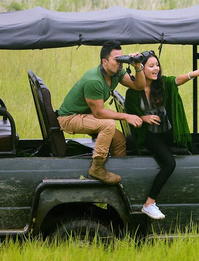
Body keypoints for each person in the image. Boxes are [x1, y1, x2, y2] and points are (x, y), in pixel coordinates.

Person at [125, 53, 199, 219]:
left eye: (157, 65)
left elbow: (176, 80)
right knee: (169, 163)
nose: (155, 69)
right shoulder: (133, 92)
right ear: (141, 68)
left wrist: (195, 73)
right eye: (151, 66)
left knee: (190, 144)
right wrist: (144, 118)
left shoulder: (162, 84)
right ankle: (149, 203)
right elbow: (130, 116)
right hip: (148, 135)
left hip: (166, 130)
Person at [57, 40, 146, 185]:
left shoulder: (116, 73)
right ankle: (97, 168)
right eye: (116, 60)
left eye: (122, 58)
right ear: (104, 61)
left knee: (119, 140)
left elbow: (139, 85)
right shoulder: (94, 80)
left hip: (85, 114)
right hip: (69, 118)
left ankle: (121, 174)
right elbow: (98, 113)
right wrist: (126, 116)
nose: (120, 63)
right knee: (108, 125)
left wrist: (138, 67)